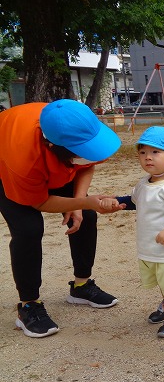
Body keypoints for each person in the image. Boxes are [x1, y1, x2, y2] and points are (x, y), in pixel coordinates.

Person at [0, 99, 123, 338]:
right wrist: (82, 202)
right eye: (82, 150)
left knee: (86, 215)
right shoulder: (22, 160)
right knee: (28, 229)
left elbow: (87, 164)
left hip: (52, 154)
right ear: (53, 147)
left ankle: (81, 286)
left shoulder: (75, 125)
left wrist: (80, 203)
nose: (89, 154)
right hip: (5, 168)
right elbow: (39, 202)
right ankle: (28, 305)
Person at [100, 127, 164, 338]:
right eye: (142, 152)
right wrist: (116, 202)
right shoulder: (144, 183)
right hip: (148, 247)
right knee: (162, 280)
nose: (148, 157)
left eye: (155, 152)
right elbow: (134, 201)